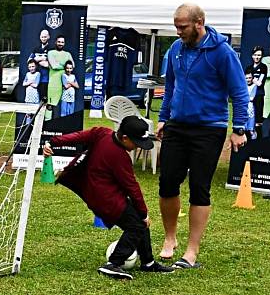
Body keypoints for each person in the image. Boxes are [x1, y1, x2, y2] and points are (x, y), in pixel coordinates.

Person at [157, 3, 248, 269]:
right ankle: (170, 238)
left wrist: (239, 128)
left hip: (210, 127)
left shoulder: (222, 52)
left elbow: (240, 92)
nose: (178, 32)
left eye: (182, 27)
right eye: (176, 27)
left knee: (199, 187)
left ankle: (191, 251)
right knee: (167, 183)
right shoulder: (175, 50)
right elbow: (171, 86)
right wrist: (164, 118)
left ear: (199, 23)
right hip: (177, 125)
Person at [45, 116, 174, 280]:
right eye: (135, 143)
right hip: (106, 201)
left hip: (101, 195)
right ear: (125, 137)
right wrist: (144, 214)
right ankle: (113, 264)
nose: (136, 147)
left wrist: (53, 142)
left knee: (139, 224)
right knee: (137, 226)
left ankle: (148, 263)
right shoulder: (120, 157)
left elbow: (77, 136)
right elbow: (132, 187)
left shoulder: (102, 133)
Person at [46, 35, 74, 119]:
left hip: (65, 82)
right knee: (50, 105)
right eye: (59, 42)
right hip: (54, 83)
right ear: (55, 42)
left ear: (64, 43)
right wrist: (65, 66)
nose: (60, 43)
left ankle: (64, 125)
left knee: (66, 105)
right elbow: (54, 66)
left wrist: (58, 64)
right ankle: (47, 123)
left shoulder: (67, 54)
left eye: (62, 42)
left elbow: (73, 65)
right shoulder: (50, 52)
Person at [245, 46, 267, 137]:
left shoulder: (263, 67)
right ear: (252, 56)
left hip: (258, 96)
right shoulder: (249, 68)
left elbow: (259, 83)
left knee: (258, 121)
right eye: (255, 55)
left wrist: (252, 80)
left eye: (259, 55)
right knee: (247, 120)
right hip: (248, 97)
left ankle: (259, 144)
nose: (257, 57)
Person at [28, 30, 51, 105]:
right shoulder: (36, 49)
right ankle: (36, 116)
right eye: (42, 37)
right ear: (40, 37)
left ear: (48, 37)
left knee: (45, 101)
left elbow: (50, 64)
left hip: (46, 79)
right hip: (36, 79)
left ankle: (44, 116)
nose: (43, 38)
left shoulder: (52, 49)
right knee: (35, 100)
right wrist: (42, 59)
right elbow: (29, 61)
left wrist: (38, 60)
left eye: (45, 37)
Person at [244, 70, 258, 139]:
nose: (248, 80)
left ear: (252, 78)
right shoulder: (242, 86)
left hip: (250, 110)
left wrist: (244, 98)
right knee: (243, 130)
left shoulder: (254, 86)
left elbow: (252, 98)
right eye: (246, 78)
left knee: (250, 130)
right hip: (243, 110)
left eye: (250, 78)